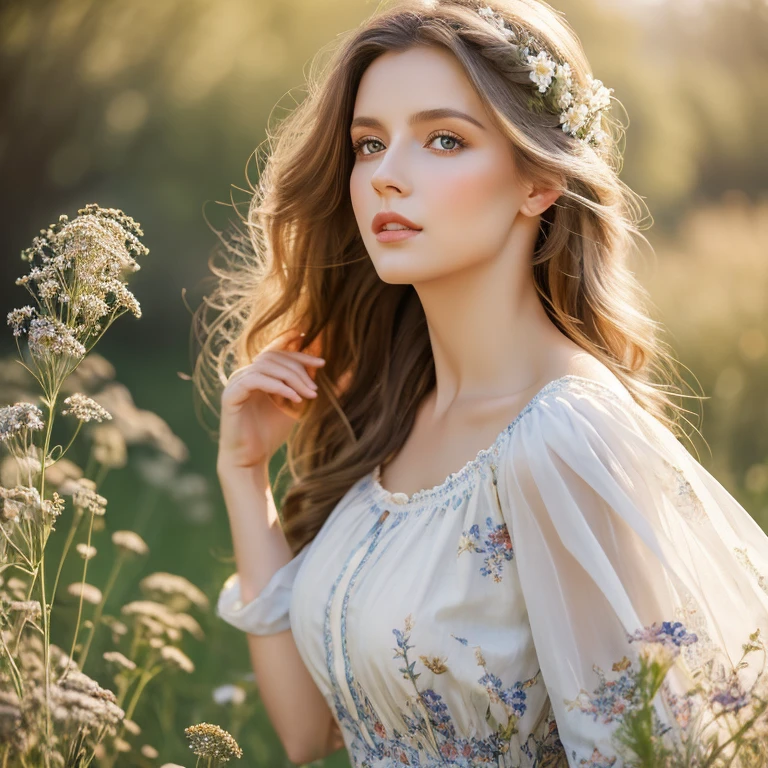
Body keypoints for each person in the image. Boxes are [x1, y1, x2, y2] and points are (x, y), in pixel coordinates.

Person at [193, 0, 768, 764]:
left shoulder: (562, 436)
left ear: (539, 182)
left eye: (443, 139)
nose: (386, 178)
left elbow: (641, 750)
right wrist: (244, 477)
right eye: (369, 144)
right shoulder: (393, 416)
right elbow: (308, 735)